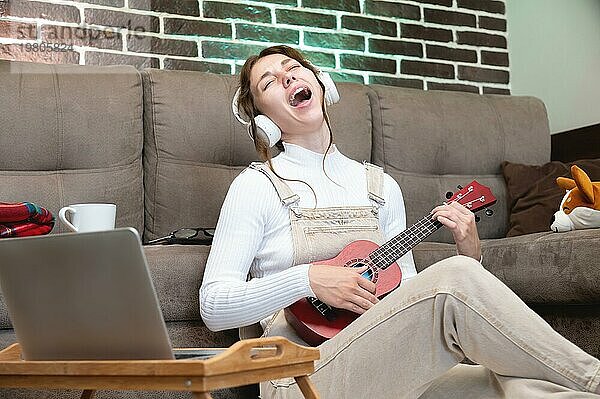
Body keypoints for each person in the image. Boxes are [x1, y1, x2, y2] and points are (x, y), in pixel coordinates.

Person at [200, 45, 600, 398]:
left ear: (321, 82)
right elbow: (213, 306)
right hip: (299, 377)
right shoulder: (256, 186)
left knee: (523, 386)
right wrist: (307, 278)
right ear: (262, 120)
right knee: (455, 277)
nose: (287, 78)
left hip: (384, 362)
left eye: (293, 68)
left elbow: (410, 295)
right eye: (269, 82)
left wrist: (470, 254)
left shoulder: (381, 186)